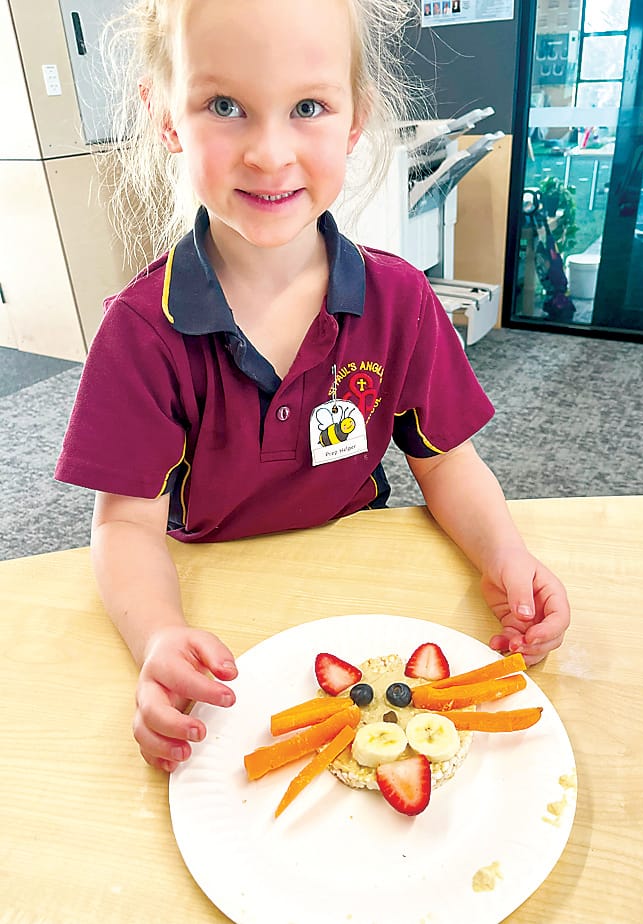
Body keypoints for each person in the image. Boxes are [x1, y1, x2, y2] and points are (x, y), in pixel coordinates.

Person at [56, 0, 570, 774]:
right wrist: (158, 634)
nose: (269, 153)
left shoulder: (399, 300)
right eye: (223, 105)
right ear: (166, 117)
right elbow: (126, 527)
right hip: (216, 611)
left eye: (307, 107)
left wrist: (505, 555)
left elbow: (444, 461)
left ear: (355, 118)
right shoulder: (140, 331)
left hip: (359, 591)